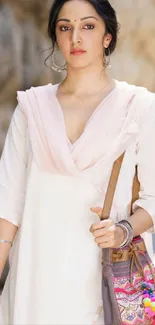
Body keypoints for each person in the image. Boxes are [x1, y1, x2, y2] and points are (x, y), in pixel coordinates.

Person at [0, 0, 155, 324]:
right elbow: (7, 208)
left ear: (107, 36)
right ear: (55, 36)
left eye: (88, 26)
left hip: (101, 279)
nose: (76, 38)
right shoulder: (32, 109)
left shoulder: (138, 107)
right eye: (65, 27)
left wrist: (122, 231)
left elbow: (152, 200)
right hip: (36, 278)